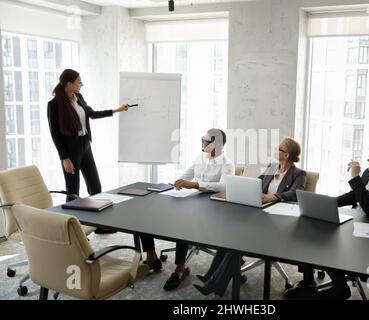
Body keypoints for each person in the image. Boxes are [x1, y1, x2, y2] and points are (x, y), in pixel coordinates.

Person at [284, 140, 369, 300]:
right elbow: (353, 195)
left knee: (329, 241)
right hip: (356, 225)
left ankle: (339, 287)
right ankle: (308, 281)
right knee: (312, 227)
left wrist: (355, 177)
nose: (368, 160)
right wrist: (326, 203)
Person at [193, 137, 306, 297]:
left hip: (279, 222)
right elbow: (258, 182)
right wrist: (246, 186)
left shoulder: (298, 174)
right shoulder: (272, 166)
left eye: (279, 148)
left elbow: (295, 193)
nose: (275, 149)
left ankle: (214, 284)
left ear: (286, 155)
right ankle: (210, 275)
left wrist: (274, 197)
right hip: (261, 214)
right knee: (231, 234)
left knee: (238, 240)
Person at [139, 128, 235, 290]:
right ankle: (151, 256)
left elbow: (223, 185)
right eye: (202, 139)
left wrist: (195, 184)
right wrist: (174, 184)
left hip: (211, 207)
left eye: (205, 140)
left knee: (182, 222)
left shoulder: (228, 164)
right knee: (147, 212)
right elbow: (185, 176)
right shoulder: (200, 157)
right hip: (190, 199)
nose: (202, 143)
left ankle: (179, 269)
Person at [47, 69, 129, 234]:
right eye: (79, 82)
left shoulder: (79, 98)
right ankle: (71, 231)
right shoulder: (54, 104)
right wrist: (65, 158)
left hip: (85, 145)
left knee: (95, 186)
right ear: (69, 84)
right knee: (73, 192)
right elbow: (54, 134)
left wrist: (116, 110)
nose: (81, 84)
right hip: (70, 150)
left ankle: (98, 225)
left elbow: (91, 114)